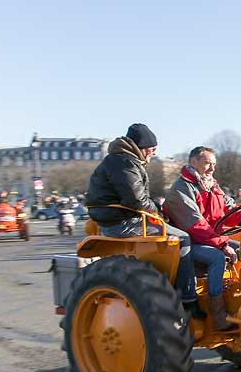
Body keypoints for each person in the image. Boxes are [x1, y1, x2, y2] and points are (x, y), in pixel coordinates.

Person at [85, 123, 198, 309]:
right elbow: (136, 200)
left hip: (122, 216)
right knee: (183, 238)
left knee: (175, 231)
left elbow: (136, 197)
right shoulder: (124, 162)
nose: (153, 153)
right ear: (143, 147)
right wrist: (159, 213)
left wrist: (157, 211)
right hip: (121, 221)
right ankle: (187, 298)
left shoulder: (122, 160)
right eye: (153, 149)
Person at [163, 146, 239, 330]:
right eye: (207, 163)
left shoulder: (212, 185)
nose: (212, 168)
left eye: (214, 164)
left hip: (210, 238)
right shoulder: (181, 189)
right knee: (217, 257)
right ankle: (218, 314)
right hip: (189, 243)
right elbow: (196, 225)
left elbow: (228, 211)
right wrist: (222, 245)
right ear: (193, 162)